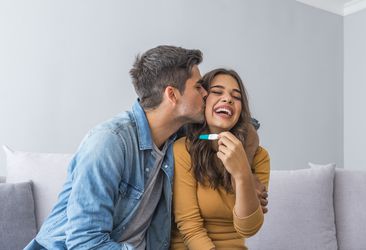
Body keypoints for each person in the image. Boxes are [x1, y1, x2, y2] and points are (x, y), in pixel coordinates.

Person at [24, 46, 266, 250]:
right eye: (199, 87)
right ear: (172, 95)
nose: (205, 93)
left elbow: (244, 124)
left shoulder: (174, 136)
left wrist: (245, 171)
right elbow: (85, 243)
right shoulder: (109, 144)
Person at [171, 68, 270, 250]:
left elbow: (248, 229)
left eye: (237, 97)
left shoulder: (259, 157)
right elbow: (189, 227)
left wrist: (242, 174)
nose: (228, 99)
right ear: (203, 101)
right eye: (217, 92)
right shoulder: (183, 150)